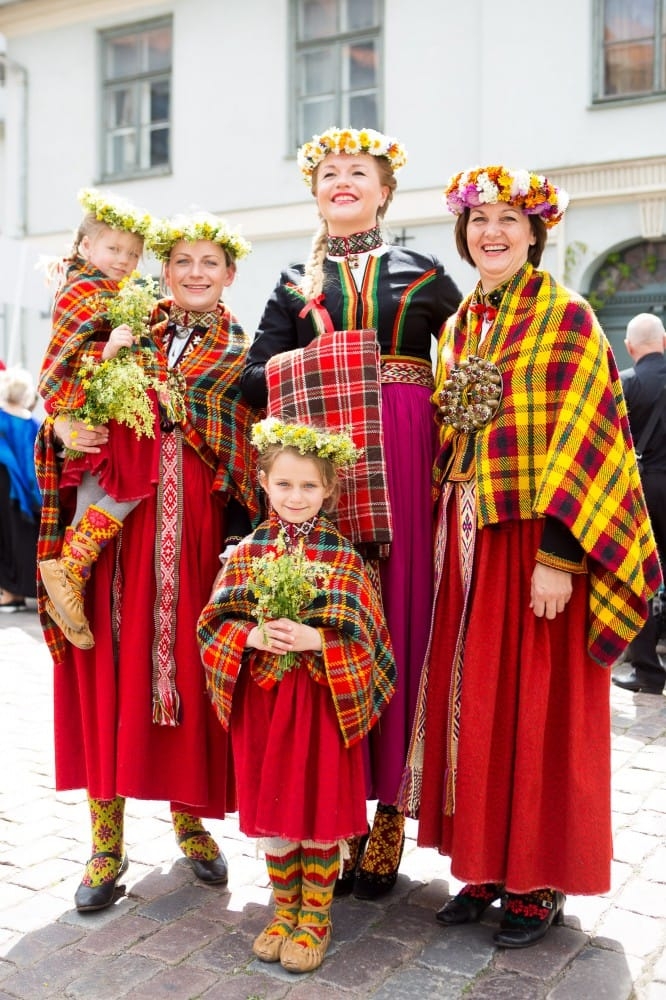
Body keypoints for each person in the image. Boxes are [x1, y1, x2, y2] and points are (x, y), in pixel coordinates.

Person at [400, 165, 661, 948]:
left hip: (537, 540)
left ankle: (538, 877)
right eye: (480, 220)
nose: (493, 232)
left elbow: (590, 440)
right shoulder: (460, 326)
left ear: (535, 232)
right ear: (464, 234)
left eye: (510, 219)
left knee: (538, 707)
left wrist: (559, 554)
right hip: (466, 536)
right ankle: (483, 864)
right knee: (475, 700)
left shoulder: (569, 316)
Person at [241, 126, 462, 898]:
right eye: (329, 172)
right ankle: (340, 810)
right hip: (326, 472)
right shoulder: (291, 282)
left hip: (405, 456)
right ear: (314, 190)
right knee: (335, 621)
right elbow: (252, 377)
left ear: (384, 189)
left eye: (357, 172)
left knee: (404, 616)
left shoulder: (425, 270)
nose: (343, 181)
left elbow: (471, 361)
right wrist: (322, 368)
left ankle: (394, 809)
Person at [35, 209, 261, 913]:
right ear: (164, 270)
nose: (195, 272)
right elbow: (70, 393)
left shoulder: (239, 350)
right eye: (183, 261)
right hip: (115, 532)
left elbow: (244, 442)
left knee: (188, 673)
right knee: (105, 666)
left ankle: (190, 820)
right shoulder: (127, 325)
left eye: (210, 263)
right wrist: (60, 423)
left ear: (229, 274)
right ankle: (106, 842)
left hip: (194, 531)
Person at [197, 417, 397, 973]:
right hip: (264, 706)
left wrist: (318, 638)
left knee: (317, 806)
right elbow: (211, 626)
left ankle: (316, 916)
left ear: (329, 489)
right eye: (284, 484)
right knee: (277, 810)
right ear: (263, 482)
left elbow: (372, 641)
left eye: (309, 486)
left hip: (320, 706)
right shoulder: (246, 552)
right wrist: (250, 634)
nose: (296, 496)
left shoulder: (346, 558)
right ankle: (283, 909)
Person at [37, 187, 157, 649]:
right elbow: (64, 355)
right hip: (93, 403)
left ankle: (70, 575)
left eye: (133, 253)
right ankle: (69, 568)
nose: (124, 259)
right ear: (87, 247)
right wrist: (107, 351)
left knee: (99, 479)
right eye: (114, 249)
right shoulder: (83, 288)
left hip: (113, 408)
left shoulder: (116, 291)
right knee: (133, 483)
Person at [612, 312, 666, 695]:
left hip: (645, 489)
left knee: (643, 574)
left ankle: (647, 672)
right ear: (663, 341)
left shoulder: (627, 384)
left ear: (630, 348)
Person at [0, 365, 41, 611]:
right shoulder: (32, 421)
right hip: (29, 489)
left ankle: (9, 593)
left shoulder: (2, 417)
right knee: (25, 537)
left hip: (4, 484)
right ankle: (22, 590)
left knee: (5, 537)